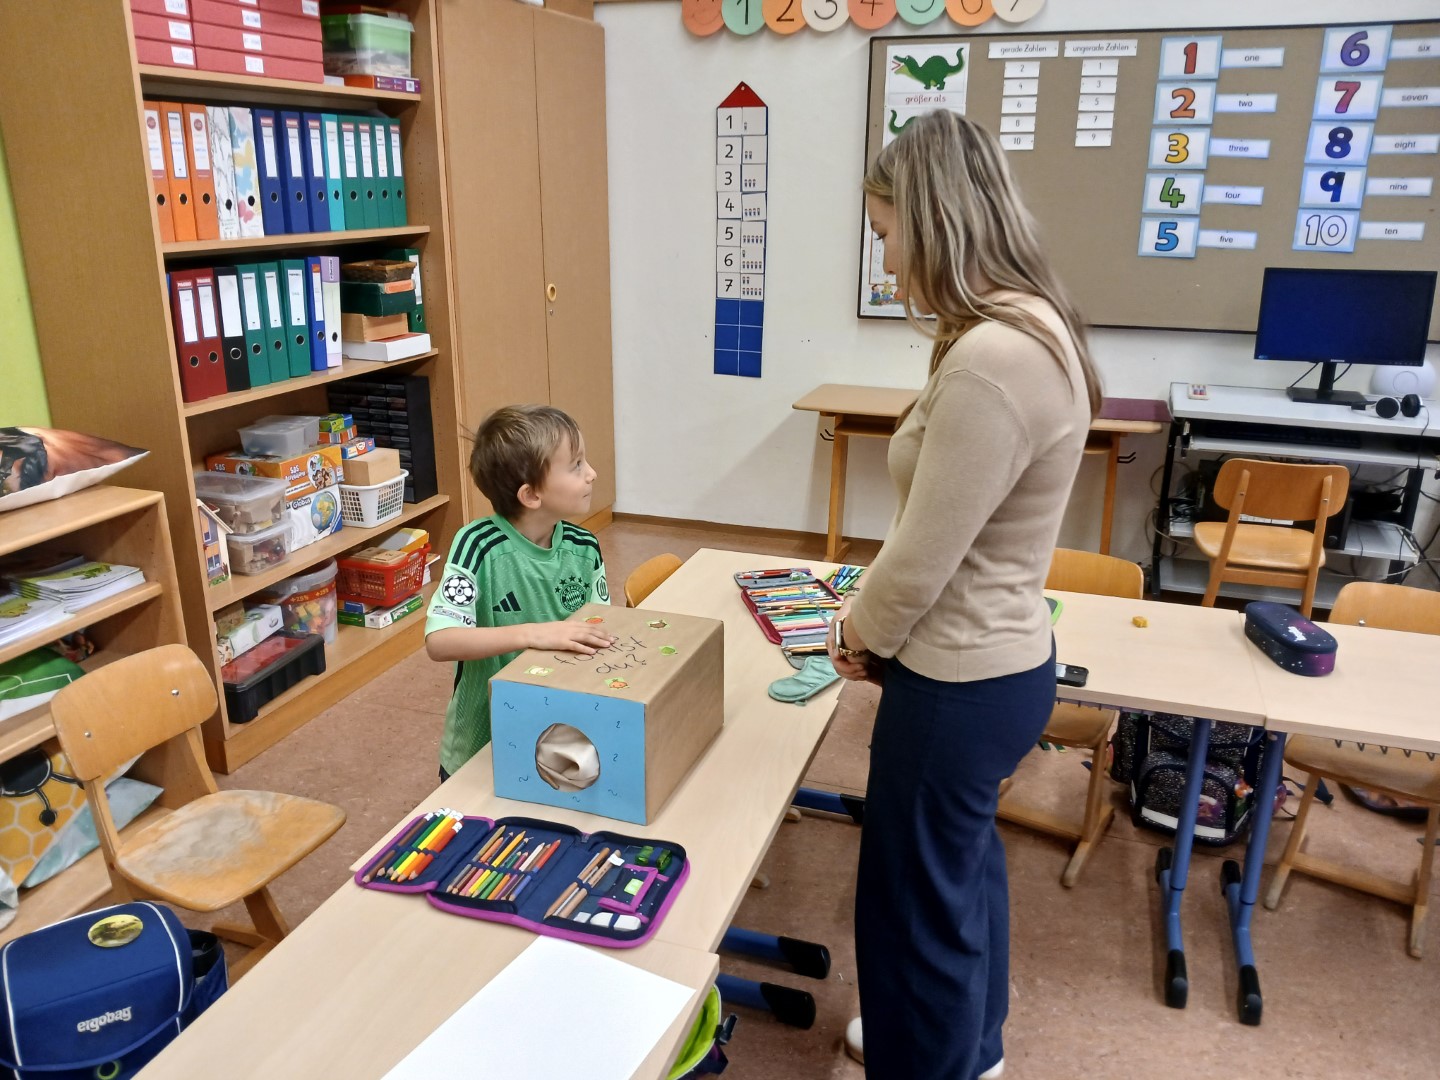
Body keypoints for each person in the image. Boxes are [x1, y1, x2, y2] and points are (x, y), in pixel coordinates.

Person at [830, 111, 1102, 1078]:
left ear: (931, 218)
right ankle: (969, 1051)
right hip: (996, 662)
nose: (885, 258)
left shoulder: (993, 359)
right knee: (958, 876)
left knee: (913, 906)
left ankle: (933, 1061)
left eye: (886, 232)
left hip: (958, 679)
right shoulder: (1023, 326)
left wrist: (856, 632)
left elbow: (921, 559)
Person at [425, 405, 616, 782]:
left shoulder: (584, 546)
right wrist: (535, 633)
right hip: (482, 741)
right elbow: (440, 641)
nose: (591, 473)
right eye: (576, 465)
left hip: (560, 733)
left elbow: (600, 630)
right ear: (531, 495)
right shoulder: (476, 545)